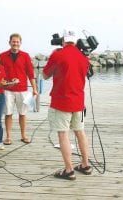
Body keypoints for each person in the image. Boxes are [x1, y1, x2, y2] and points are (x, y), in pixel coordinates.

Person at [42, 29, 93, 180]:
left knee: (63, 134)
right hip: (78, 101)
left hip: (61, 101)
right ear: (76, 41)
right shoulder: (83, 57)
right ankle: (85, 165)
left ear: (63, 40)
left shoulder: (57, 54)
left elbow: (45, 75)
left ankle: (69, 170)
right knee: (80, 132)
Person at [0, 33, 38, 145]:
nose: (15, 43)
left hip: (23, 90)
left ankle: (23, 135)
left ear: (20, 43)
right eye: (13, 41)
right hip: (7, 90)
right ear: (9, 42)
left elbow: (31, 74)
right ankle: (8, 137)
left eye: (17, 42)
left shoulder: (26, 56)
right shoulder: (2, 56)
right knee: (8, 113)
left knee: (23, 113)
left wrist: (35, 89)